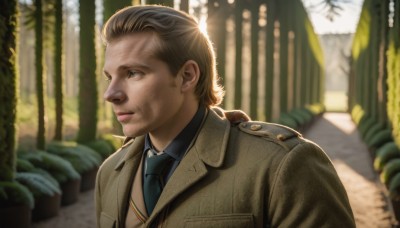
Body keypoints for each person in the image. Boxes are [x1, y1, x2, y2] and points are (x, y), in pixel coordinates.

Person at [96, 5, 355, 228]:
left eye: (132, 73)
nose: (111, 93)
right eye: (110, 77)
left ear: (187, 76)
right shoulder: (109, 173)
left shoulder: (281, 166)